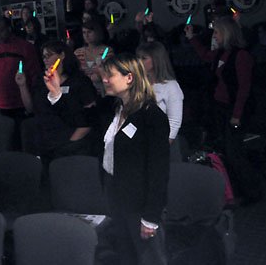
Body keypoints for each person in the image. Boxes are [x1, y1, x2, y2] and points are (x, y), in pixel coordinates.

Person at [98, 53, 169, 265]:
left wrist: (151, 217)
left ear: (129, 78)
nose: (104, 80)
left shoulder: (152, 116)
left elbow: (159, 172)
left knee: (149, 259)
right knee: (126, 255)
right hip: (117, 196)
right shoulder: (118, 108)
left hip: (139, 203)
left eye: (109, 75)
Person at [185, 16, 261, 202]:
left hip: (235, 110)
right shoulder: (221, 53)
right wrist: (191, 38)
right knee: (227, 150)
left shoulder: (241, 55)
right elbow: (204, 55)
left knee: (235, 152)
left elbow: (244, 88)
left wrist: (236, 115)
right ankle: (236, 190)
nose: (215, 36)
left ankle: (251, 193)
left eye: (217, 32)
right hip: (220, 108)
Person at [16, 40, 97, 164]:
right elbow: (31, 108)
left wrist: (71, 143)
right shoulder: (40, 80)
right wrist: (22, 86)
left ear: (62, 55)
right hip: (44, 140)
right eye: (43, 56)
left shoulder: (80, 81)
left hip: (68, 142)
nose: (45, 59)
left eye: (49, 55)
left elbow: (89, 119)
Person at [0, 16, 40, 146]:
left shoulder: (24, 47)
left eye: (1, 31)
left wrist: (35, 95)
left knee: (26, 139)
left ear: (9, 29)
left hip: (22, 101)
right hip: (3, 102)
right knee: (9, 139)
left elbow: (35, 72)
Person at [136, 42, 184, 143]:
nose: (139, 62)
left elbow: (174, 122)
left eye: (144, 58)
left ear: (156, 60)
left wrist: (164, 146)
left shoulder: (171, 87)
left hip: (161, 142)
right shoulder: (138, 83)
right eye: (138, 57)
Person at [75, 20, 112, 95]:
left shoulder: (106, 51)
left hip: (103, 90)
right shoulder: (78, 52)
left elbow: (110, 71)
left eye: (89, 32)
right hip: (83, 91)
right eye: (84, 32)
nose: (86, 35)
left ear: (98, 32)